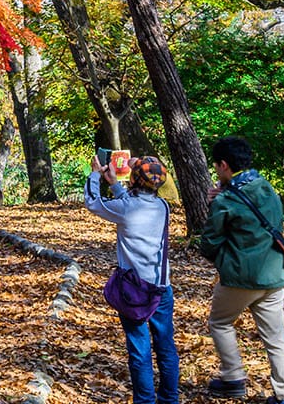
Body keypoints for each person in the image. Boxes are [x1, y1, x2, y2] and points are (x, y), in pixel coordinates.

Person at [198, 136, 284, 404]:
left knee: (219, 322)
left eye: (216, 166)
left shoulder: (226, 200)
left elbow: (209, 242)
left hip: (240, 278)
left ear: (224, 165)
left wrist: (223, 260)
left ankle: (233, 377)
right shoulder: (266, 186)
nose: (216, 171)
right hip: (275, 275)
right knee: (276, 338)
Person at [86, 152, 178, 404]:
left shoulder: (126, 208)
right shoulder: (163, 207)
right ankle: (170, 399)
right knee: (166, 347)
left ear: (135, 180)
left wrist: (95, 175)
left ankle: (145, 401)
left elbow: (94, 203)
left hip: (134, 290)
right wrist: (115, 184)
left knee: (140, 350)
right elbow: (133, 205)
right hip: (162, 287)